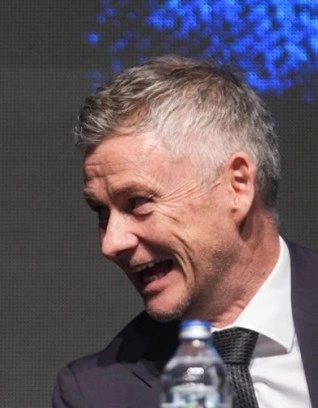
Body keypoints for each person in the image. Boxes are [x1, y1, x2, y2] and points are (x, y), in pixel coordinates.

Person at [52, 55, 318, 407]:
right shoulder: (95, 394)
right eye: (101, 211)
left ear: (237, 186)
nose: (111, 243)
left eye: (137, 202)